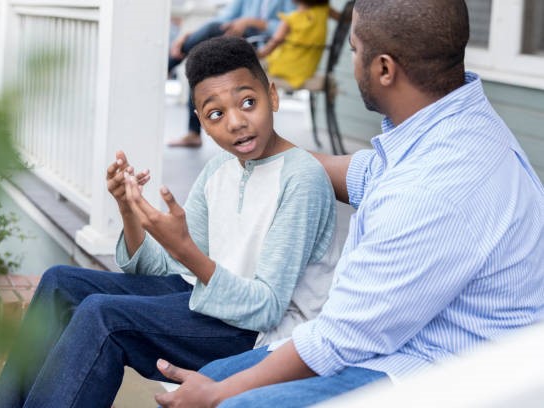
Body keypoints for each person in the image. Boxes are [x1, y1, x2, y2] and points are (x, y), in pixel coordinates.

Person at [153, 1, 544, 407]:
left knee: (229, 401)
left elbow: (340, 338)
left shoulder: (429, 191)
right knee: (215, 374)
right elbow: (366, 172)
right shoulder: (454, 123)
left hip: (451, 373)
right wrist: (269, 158)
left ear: (385, 69)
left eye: (355, 50)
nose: (352, 61)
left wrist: (218, 394)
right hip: (412, 335)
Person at [0, 36, 341, 408]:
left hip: (259, 334)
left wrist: (185, 249)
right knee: (61, 282)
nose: (236, 122)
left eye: (248, 102)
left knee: (103, 316)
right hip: (207, 299)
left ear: (273, 96)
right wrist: (129, 210)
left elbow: (267, 307)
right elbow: (173, 271)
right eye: (216, 113)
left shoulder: (302, 178)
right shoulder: (219, 168)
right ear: (202, 121)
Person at [167, 0, 295, 148]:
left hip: (264, 47)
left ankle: (168, 66)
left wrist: (251, 22)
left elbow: (291, 27)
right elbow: (223, 18)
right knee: (202, 61)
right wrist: (189, 35)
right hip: (237, 40)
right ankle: (193, 134)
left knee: (207, 38)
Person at [257, 0, 340, 89]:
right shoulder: (324, 10)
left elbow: (269, 49)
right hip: (307, 69)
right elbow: (343, 18)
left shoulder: (291, 20)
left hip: (285, 67)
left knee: (252, 68)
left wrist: (255, 54)